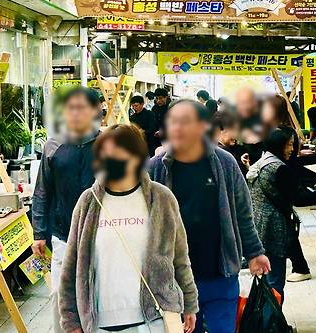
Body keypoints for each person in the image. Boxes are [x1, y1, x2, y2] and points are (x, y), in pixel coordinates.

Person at [59, 124, 198, 333]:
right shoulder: (88, 202)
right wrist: (70, 321)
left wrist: (189, 302)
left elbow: (180, 257)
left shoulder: (161, 199)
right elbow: (71, 267)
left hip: (154, 320)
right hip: (100, 323)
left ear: (137, 157)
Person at [148, 100, 270, 333]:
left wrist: (255, 252)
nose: (178, 128)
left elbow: (243, 213)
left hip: (219, 273)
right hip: (176, 279)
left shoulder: (224, 163)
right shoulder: (156, 168)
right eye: (173, 122)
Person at [32, 87, 100, 333]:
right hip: (63, 235)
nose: (75, 113)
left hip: (100, 235)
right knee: (61, 295)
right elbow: (42, 191)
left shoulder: (108, 144)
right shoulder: (53, 145)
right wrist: (39, 233)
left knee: (97, 294)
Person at [246, 126, 316, 301]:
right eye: (289, 145)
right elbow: (298, 199)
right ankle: (272, 317)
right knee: (275, 281)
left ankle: (267, 315)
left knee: (267, 278)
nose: (292, 149)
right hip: (274, 228)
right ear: (278, 145)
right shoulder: (278, 168)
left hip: (259, 225)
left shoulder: (263, 161)